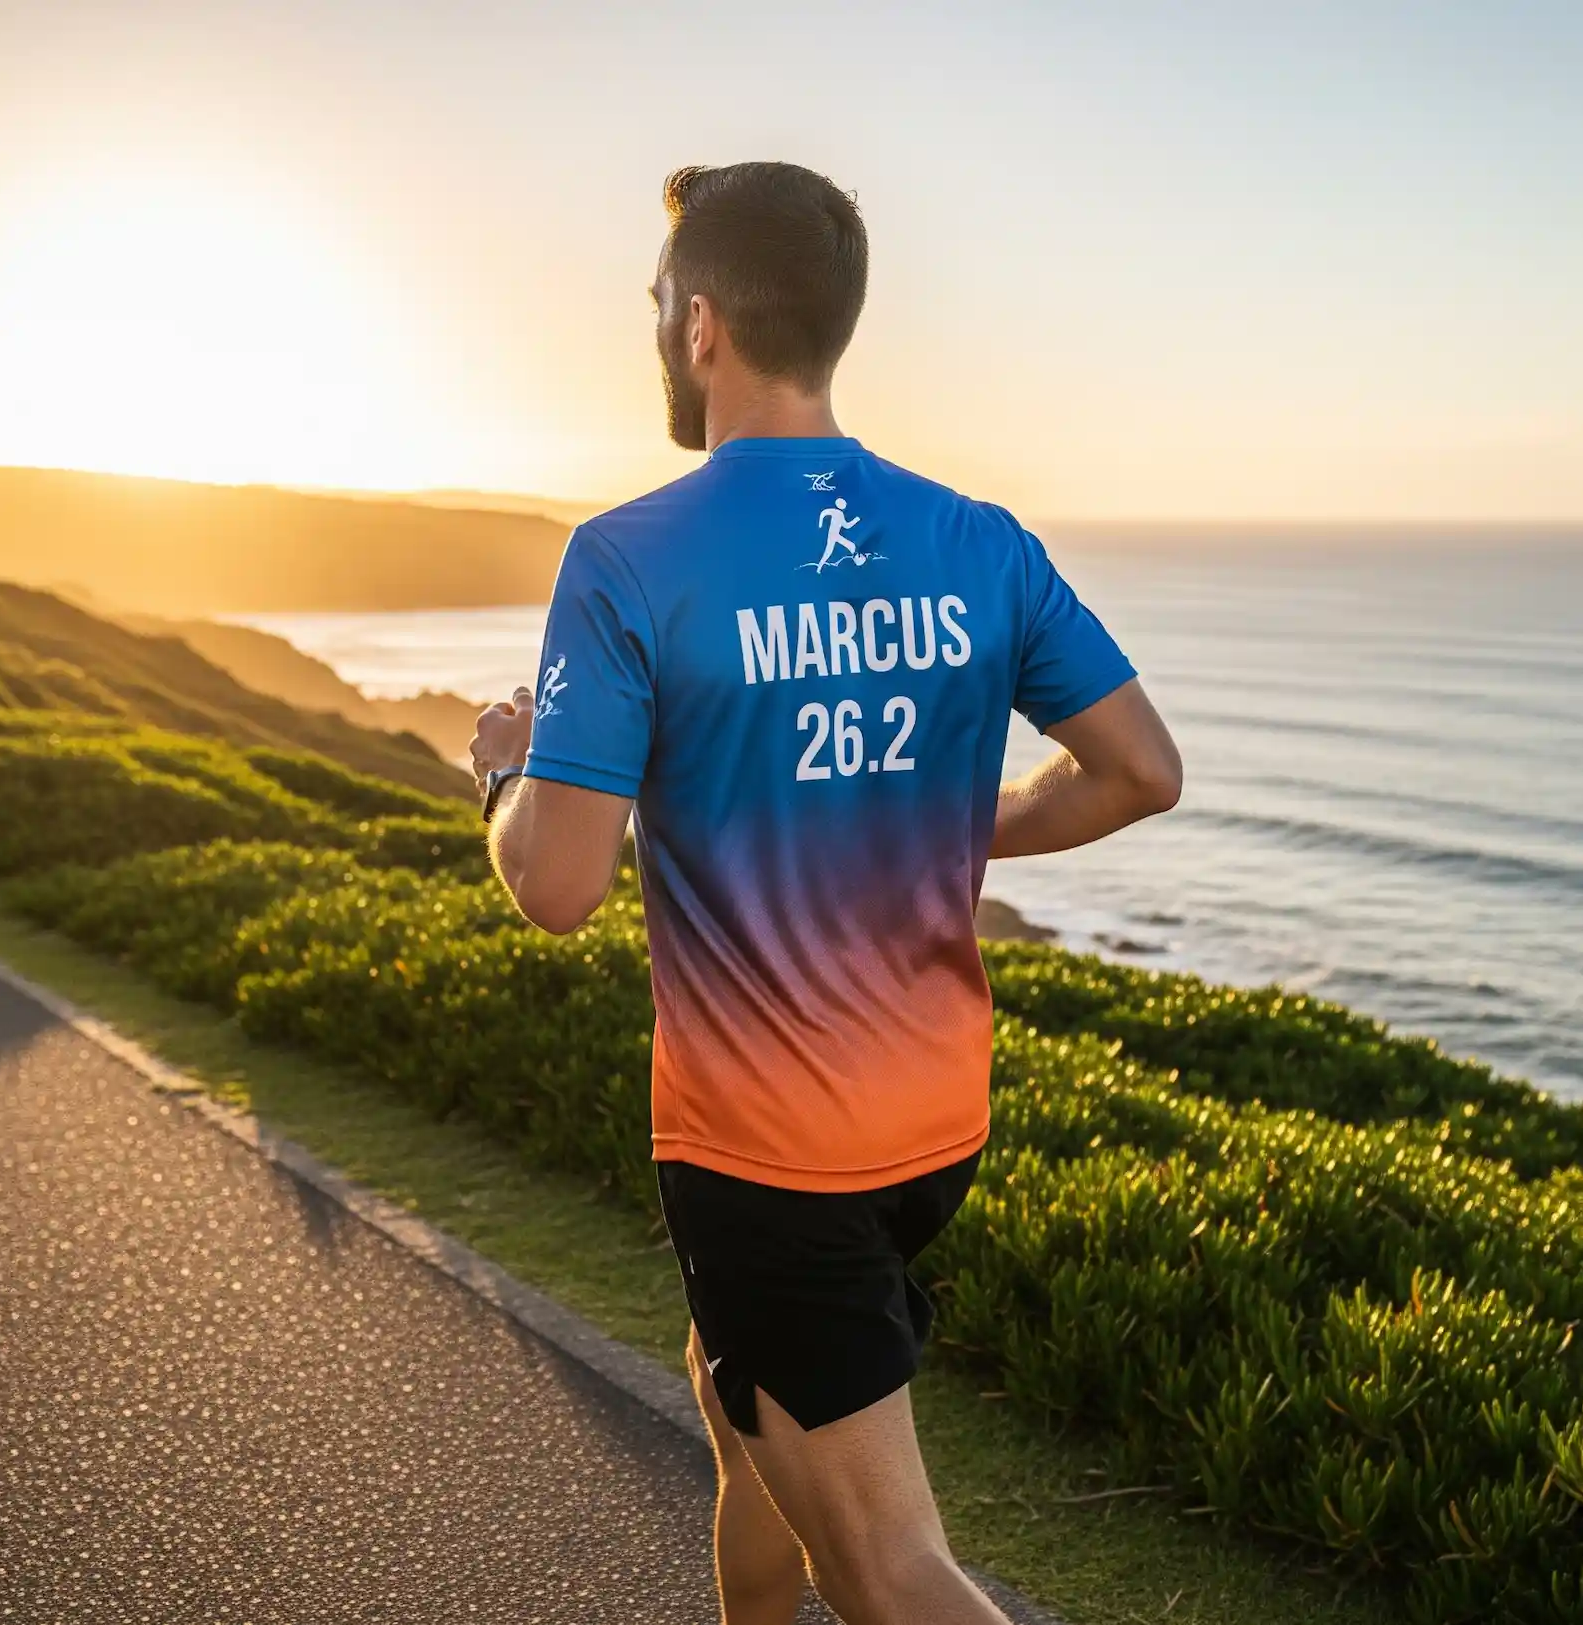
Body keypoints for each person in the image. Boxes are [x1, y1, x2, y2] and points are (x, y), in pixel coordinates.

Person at [471, 162, 1182, 1625]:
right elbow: (1138, 772)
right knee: (740, 1428)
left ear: (701, 325)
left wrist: (504, 777)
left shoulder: (627, 560)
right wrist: (939, 826)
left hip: (771, 1156)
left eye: (661, 303)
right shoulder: (975, 538)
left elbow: (557, 887)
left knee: (889, 1562)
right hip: (932, 1125)